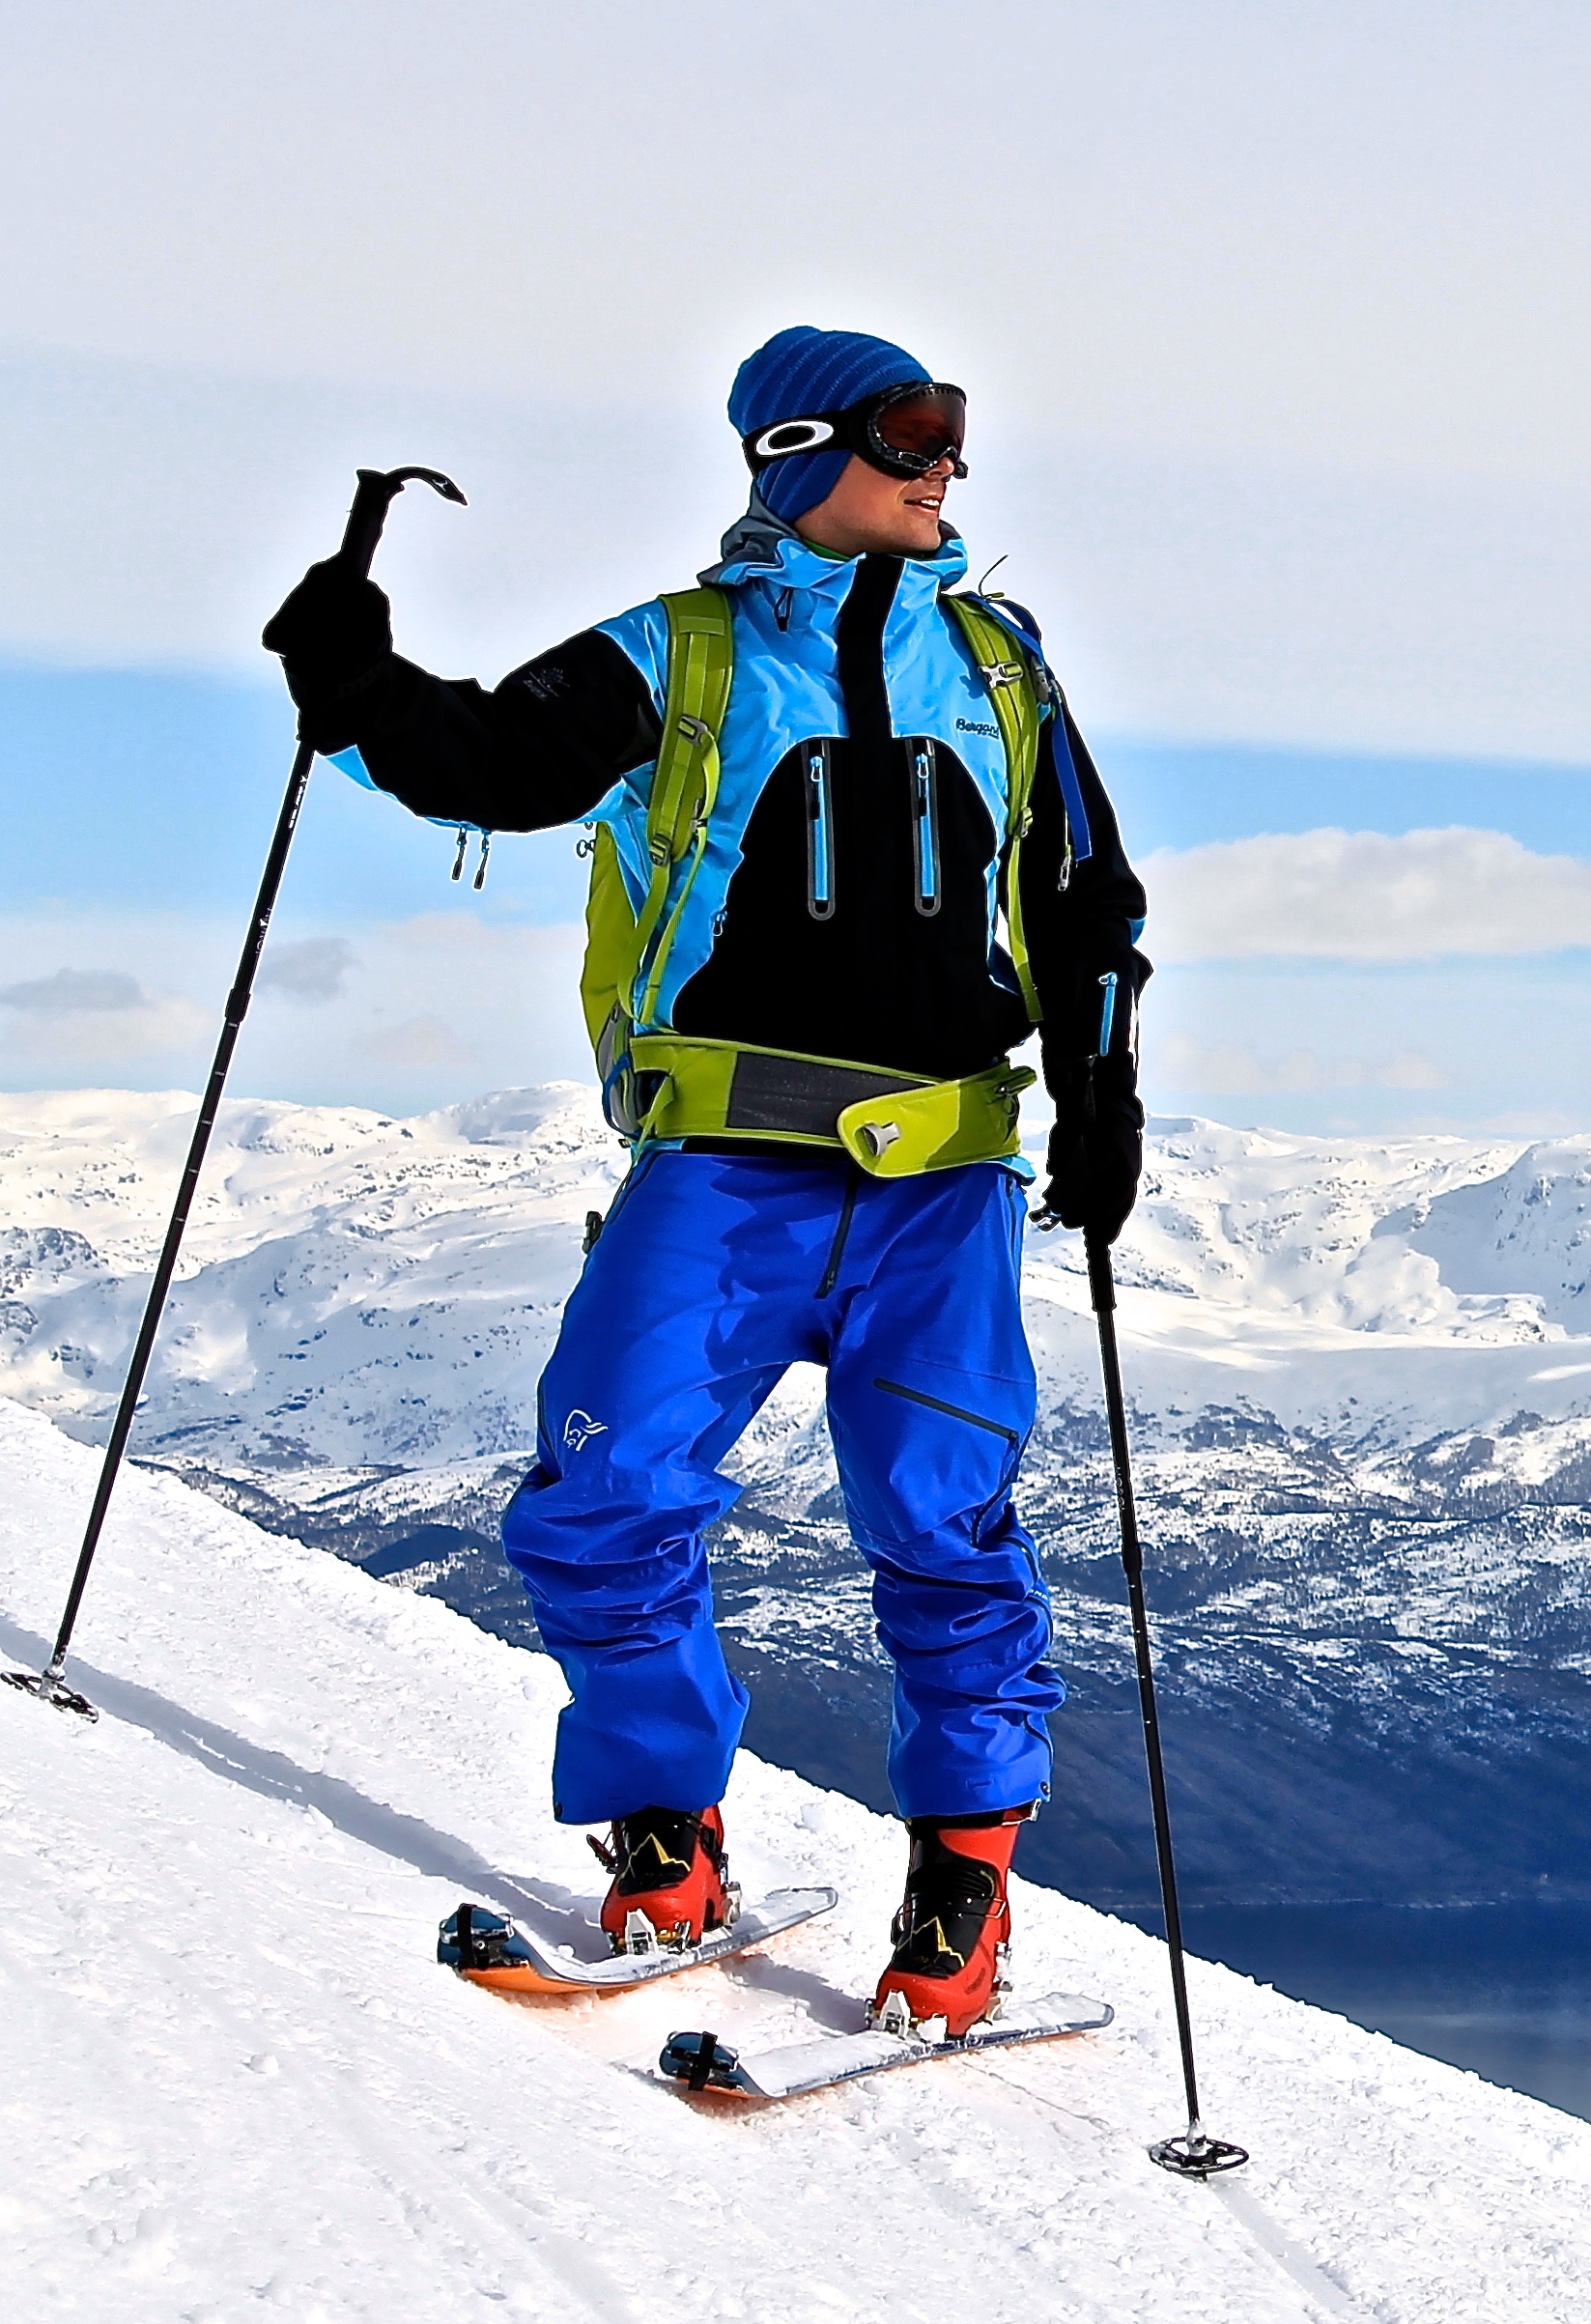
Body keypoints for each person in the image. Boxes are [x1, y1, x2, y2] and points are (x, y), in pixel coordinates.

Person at [262, 326, 1151, 2033]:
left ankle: (962, 1894)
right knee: (604, 1494)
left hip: (940, 1185)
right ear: (800, 450)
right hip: (721, 1172)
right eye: (913, 435)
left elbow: (1084, 905)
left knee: (942, 1529)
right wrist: (352, 677)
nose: (944, 466)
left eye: (954, 439)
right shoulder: (674, 655)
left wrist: (1102, 1100)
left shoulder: (1008, 672)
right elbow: (487, 768)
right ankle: (669, 1836)